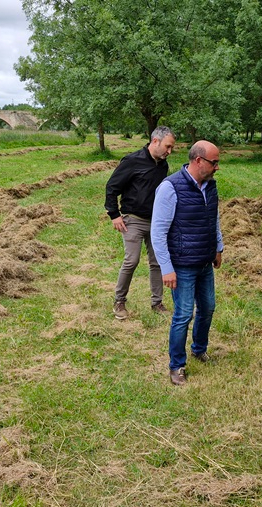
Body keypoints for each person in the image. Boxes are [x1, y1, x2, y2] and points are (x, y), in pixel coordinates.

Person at [151, 140, 224, 385]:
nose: (217, 167)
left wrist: (218, 247)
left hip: (204, 261)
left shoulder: (210, 186)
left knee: (208, 307)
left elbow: (214, 219)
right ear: (198, 161)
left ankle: (199, 349)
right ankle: (177, 365)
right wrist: (167, 268)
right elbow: (158, 232)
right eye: (214, 162)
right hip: (182, 265)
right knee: (183, 315)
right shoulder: (170, 188)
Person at [104, 126, 177, 320]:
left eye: (171, 148)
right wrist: (114, 214)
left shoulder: (162, 165)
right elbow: (112, 187)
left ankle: (157, 302)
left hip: (156, 222)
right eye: (168, 146)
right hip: (133, 220)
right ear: (155, 141)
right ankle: (119, 301)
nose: (169, 151)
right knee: (132, 260)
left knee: (157, 261)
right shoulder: (132, 161)